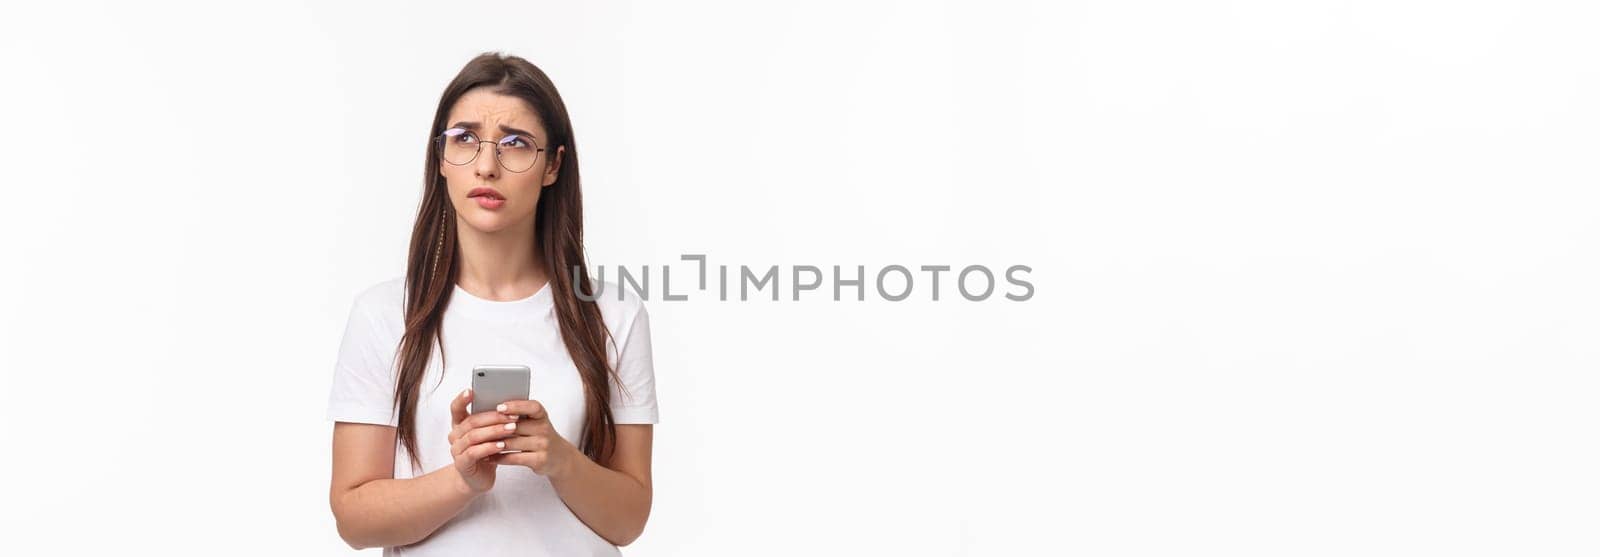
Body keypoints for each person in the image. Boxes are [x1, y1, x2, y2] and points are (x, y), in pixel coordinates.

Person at [325, 52, 658, 556]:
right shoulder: (386, 314)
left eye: (516, 144)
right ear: (440, 158)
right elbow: (354, 520)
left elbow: (628, 520)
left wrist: (560, 460)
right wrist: (462, 480)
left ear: (553, 166)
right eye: (464, 139)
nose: (486, 165)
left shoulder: (613, 316)